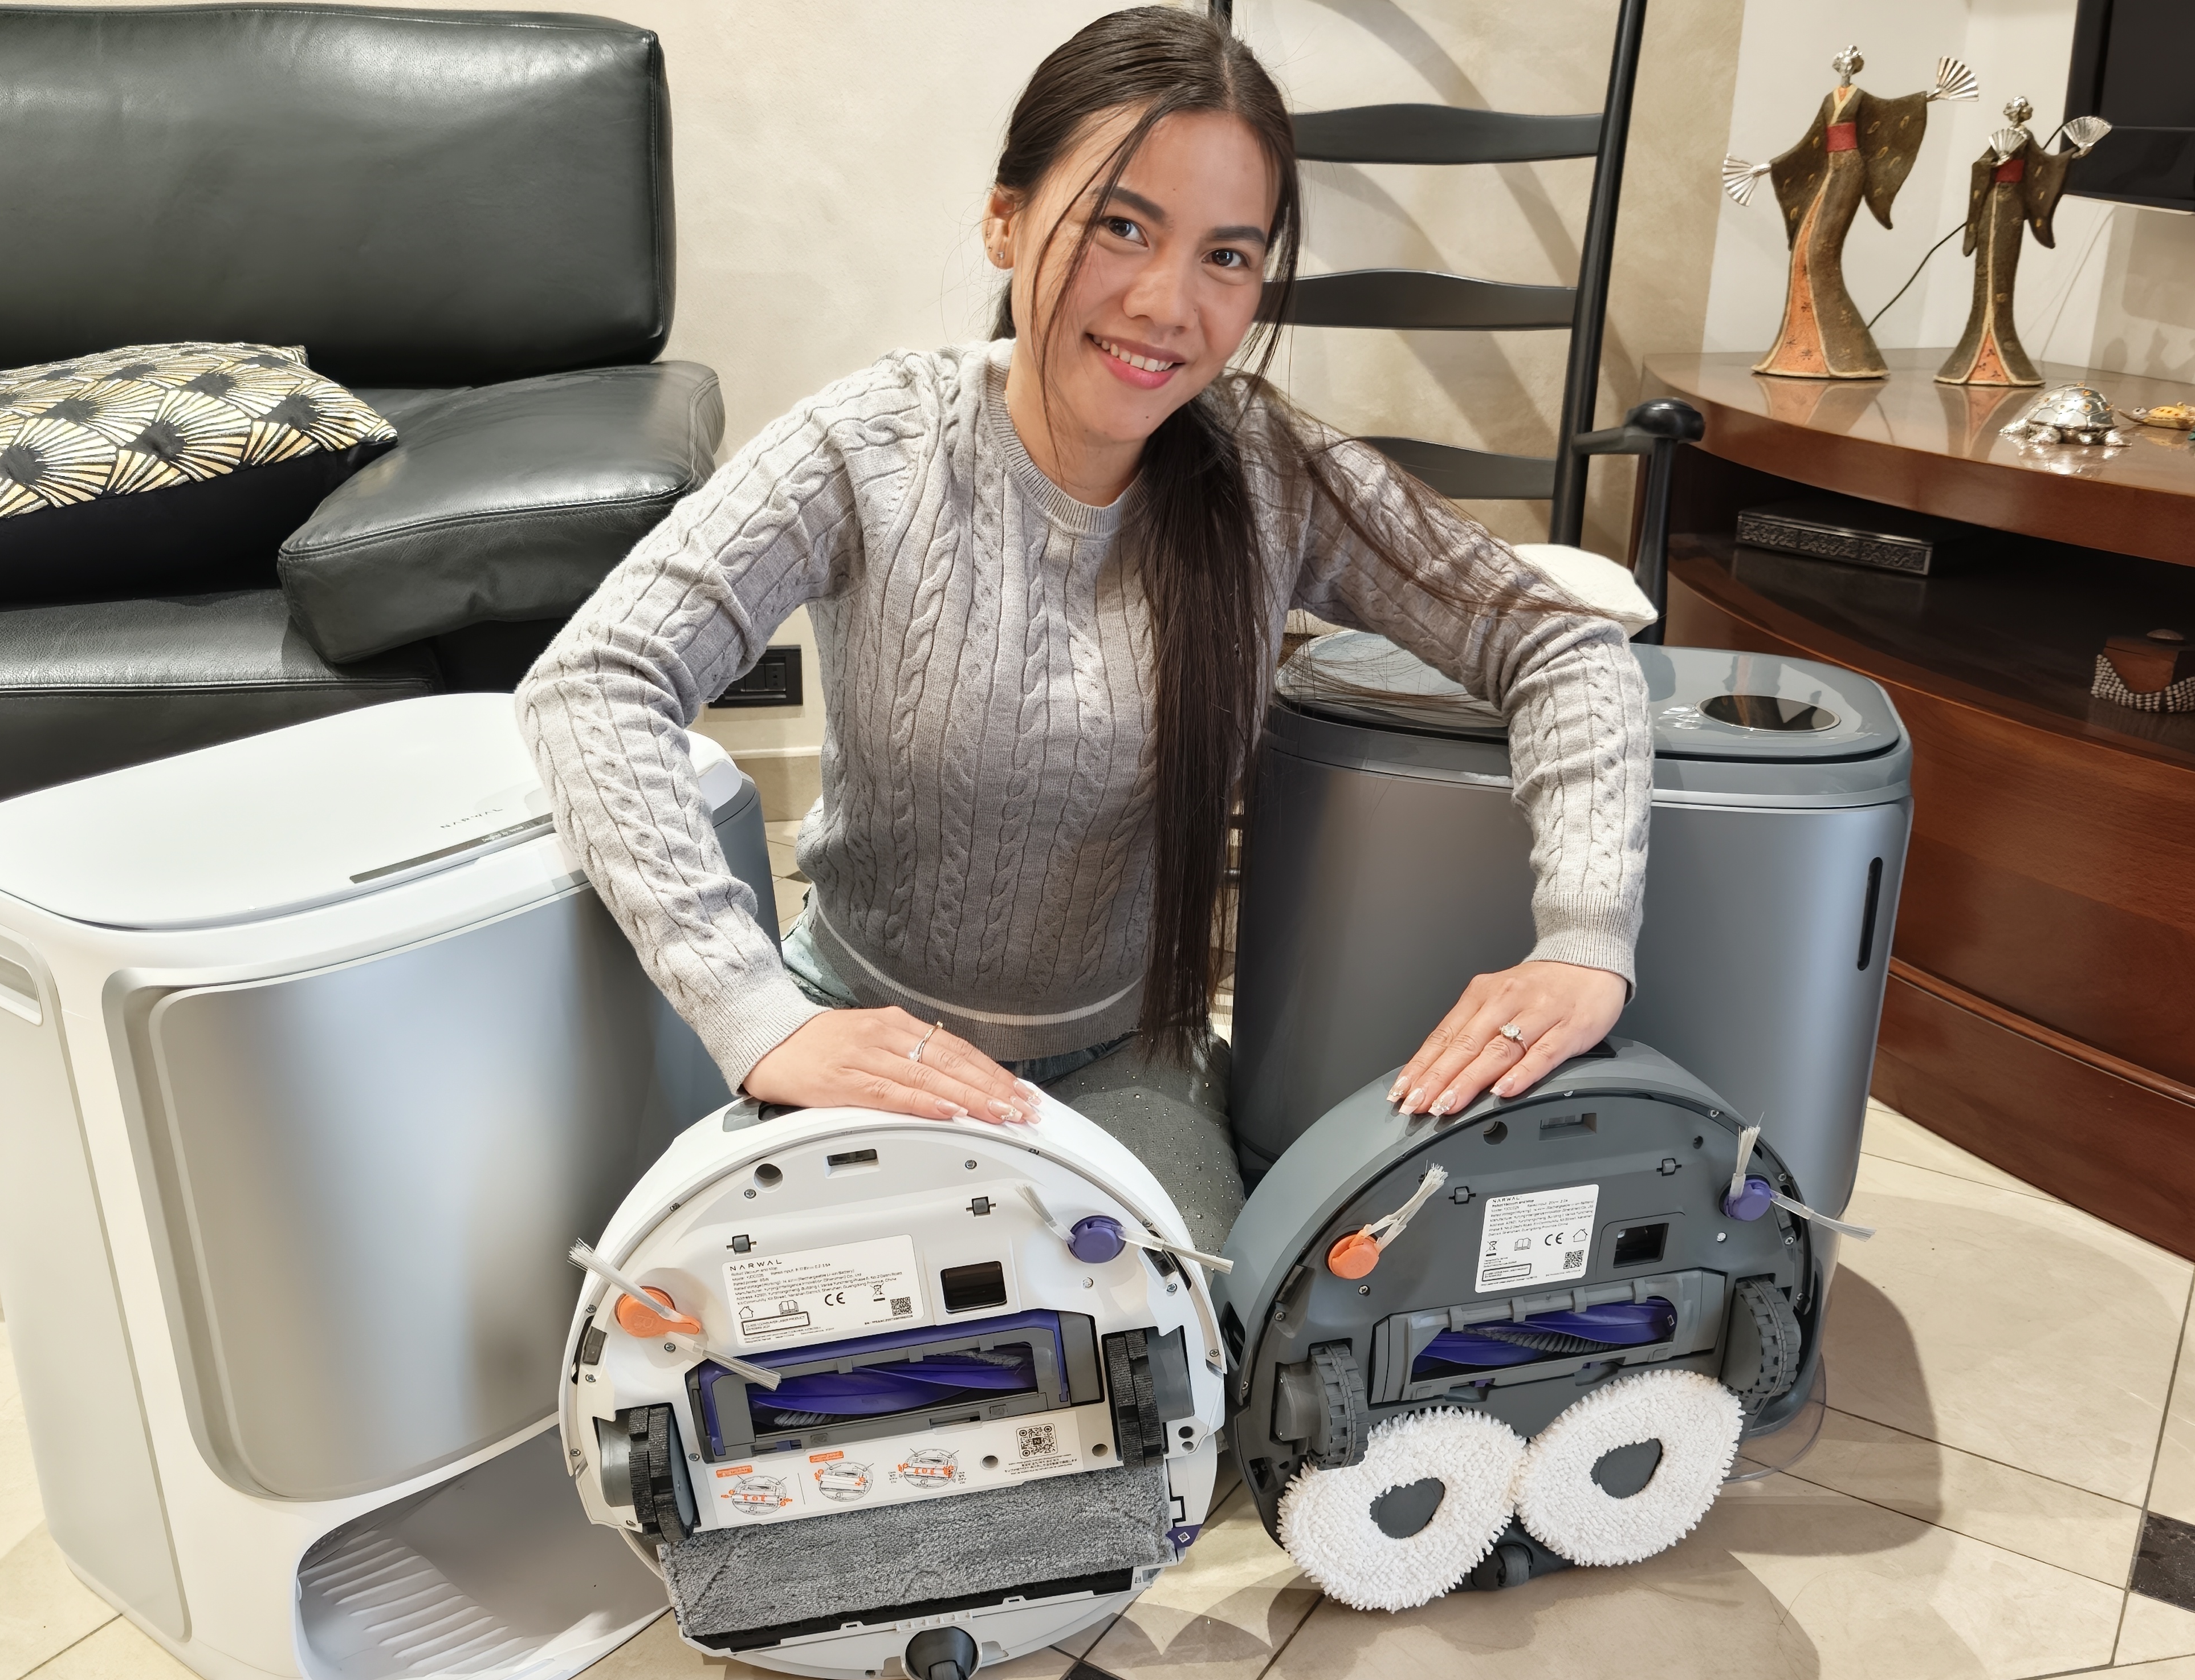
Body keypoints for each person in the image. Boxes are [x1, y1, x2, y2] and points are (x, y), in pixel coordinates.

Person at [516, 6, 1649, 1248]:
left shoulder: (1271, 473)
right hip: (865, 1032)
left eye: (1227, 255)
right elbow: (597, 678)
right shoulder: (870, 443)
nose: (1168, 303)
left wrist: (1583, 939)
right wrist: (757, 1013)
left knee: (1186, 1342)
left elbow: (1560, 641)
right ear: (1006, 219)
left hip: (1130, 1058)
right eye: (1122, 225)